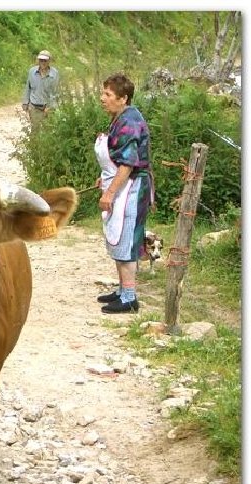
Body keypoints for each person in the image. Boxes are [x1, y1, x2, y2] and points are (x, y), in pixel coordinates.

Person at [94, 73, 154, 314]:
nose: (102, 98)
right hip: (123, 184)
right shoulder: (120, 118)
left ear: (123, 98)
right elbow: (117, 160)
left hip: (132, 187)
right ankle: (121, 290)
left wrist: (109, 193)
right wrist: (106, 177)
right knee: (118, 237)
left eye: (108, 94)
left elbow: (128, 165)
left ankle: (129, 297)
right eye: (103, 93)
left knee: (126, 237)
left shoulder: (129, 122)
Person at [21, 49, 59, 128]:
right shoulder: (32, 71)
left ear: (49, 61)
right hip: (35, 106)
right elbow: (28, 88)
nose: (43, 62)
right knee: (35, 130)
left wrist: (49, 107)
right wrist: (25, 104)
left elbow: (55, 92)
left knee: (48, 130)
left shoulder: (54, 73)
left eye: (45, 60)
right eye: (41, 60)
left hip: (49, 107)